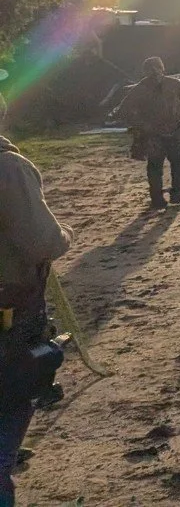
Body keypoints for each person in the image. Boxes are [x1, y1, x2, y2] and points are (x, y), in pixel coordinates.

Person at [1, 125, 73, 505]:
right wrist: (64, 236)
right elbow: (41, 242)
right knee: (14, 391)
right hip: (10, 310)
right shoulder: (8, 168)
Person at [119, 57, 180, 209]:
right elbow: (124, 109)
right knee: (155, 167)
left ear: (162, 69)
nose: (155, 72)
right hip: (153, 134)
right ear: (145, 72)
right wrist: (141, 124)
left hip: (174, 130)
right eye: (150, 69)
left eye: (157, 68)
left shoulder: (174, 84)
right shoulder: (140, 88)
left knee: (179, 165)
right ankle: (156, 199)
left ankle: (177, 194)